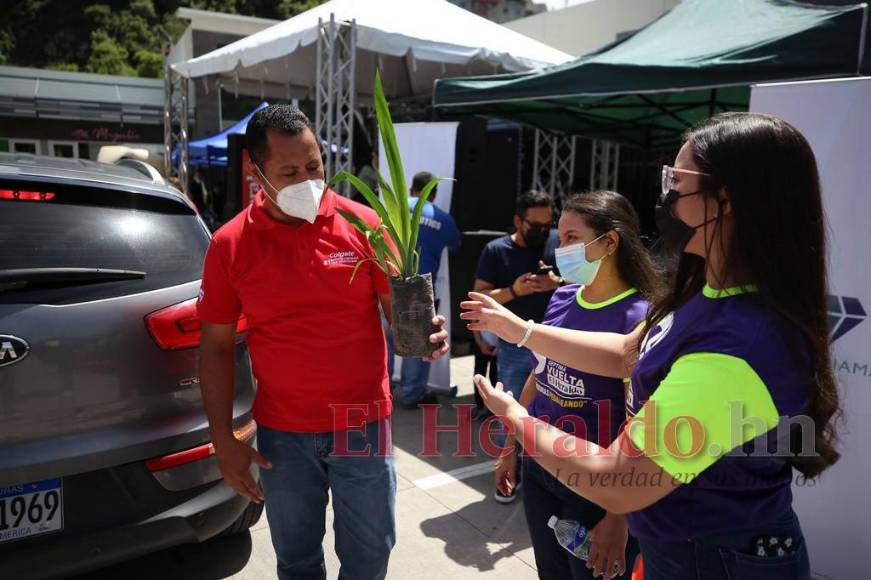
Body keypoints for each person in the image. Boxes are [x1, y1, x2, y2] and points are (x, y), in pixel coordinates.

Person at [462, 112, 840, 580]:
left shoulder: (737, 345)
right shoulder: (707, 291)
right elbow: (627, 352)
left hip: (717, 557)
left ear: (725, 199)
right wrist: (524, 332)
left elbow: (619, 480)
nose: (666, 196)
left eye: (677, 180)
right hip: (685, 544)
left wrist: (516, 421)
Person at [197, 105, 448, 580]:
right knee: (296, 562)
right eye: (289, 172)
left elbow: (403, 322)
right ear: (255, 171)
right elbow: (214, 346)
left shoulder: (364, 224)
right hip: (283, 434)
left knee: (370, 556)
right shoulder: (230, 245)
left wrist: (424, 336)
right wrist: (222, 438)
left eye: (314, 167)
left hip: (361, 424)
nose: (307, 181)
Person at [501, 191, 660, 579]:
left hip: (596, 484)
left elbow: (643, 426)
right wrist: (511, 447)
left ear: (609, 241)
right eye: (560, 235)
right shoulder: (563, 296)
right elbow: (539, 378)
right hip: (540, 469)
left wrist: (618, 516)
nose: (561, 247)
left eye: (572, 237)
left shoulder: (640, 316)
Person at [474, 189, 562, 502]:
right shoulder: (496, 250)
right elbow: (480, 299)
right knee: (510, 411)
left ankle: (538, 473)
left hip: (556, 345)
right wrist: (515, 290)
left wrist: (557, 284)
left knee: (550, 414)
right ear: (517, 220)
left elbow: (585, 287)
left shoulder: (558, 242)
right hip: (514, 348)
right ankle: (507, 473)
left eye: (546, 224)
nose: (542, 231)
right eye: (533, 225)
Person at [391, 171, 461, 408]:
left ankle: (383, 391)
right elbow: (454, 245)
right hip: (419, 287)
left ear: (412, 190)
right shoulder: (443, 218)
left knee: (386, 339)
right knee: (418, 343)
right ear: (433, 194)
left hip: (388, 279)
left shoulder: (396, 208)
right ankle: (410, 394)